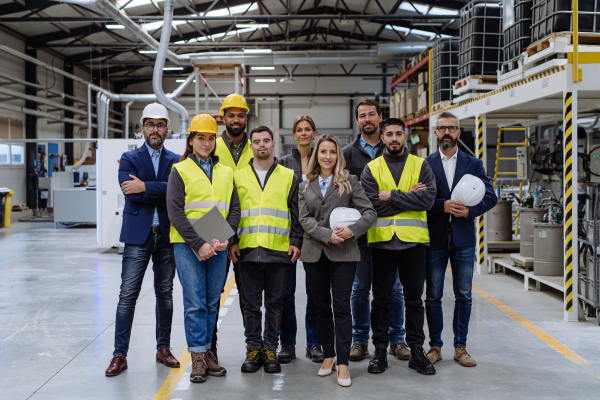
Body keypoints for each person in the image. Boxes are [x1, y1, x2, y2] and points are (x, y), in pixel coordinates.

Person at [106, 103, 181, 377]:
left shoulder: (176, 160)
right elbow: (131, 192)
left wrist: (145, 186)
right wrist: (157, 190)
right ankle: (119, 355)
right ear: (142, 128)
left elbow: (178, 192)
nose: (155, 129)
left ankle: (163, 349)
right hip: (138, 236)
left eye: (160, 124)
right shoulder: (129, 158)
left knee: (165, 295)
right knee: (127, 296)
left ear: (167, 129)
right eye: (150, 124)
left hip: (167, 237)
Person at [166, 114, 241, 383]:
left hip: (218, 243)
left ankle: (208, 351)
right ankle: (197, 354)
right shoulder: (180, 170)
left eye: (211, 138)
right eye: (201, 138)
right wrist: (199, 244)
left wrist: (225, 238)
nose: (207, 143)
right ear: (191, 140)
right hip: (188, 246)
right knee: (195, 302)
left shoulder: (226, 172)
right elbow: (175, 212)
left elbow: (234, 209)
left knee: (211, 302)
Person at [299, 134, 376, 387]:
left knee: (342, 307)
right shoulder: (305, 184)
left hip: (344, 253)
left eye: (332, 152)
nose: (327, 156)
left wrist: (352, 231)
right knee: (320, 306)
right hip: (314, 253)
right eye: (323, 152)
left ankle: (343, 363)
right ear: (316, 155)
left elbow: (369, 213)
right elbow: (304, 219)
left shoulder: (350, 181)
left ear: (338, 155)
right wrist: (326, 235)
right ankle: (328, 356)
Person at [361, 117, 437, 375]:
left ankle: (417, 350)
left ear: (405, 137)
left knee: (415, 301)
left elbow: (427, 200)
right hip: (382, 244)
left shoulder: (421, 165)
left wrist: (391, 195)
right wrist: (409, 197)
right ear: (382, 138)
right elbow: (372, 206)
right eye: (389, 134)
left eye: (398, 134)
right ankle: (380, 351)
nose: (394, 138)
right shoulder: (371, 168)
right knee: (380, 300)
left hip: (413, 244)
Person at [425, 111, 497, 367]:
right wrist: (441, 206)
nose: (446, 132)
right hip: (434, 238)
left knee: (464, 295)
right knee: (432, 295)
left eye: (451, 128)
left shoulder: (473, 164)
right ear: (436, 133)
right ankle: (435, 347)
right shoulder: (425, 164)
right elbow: (419, 201)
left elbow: (491, 197)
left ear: (458, 132)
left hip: (463, 238)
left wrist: (470, 211)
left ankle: (460, 347)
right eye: (442, 128)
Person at [228, 126, 302, 374]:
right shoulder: (237, 176)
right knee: (250, 305)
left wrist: (296, 241)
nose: (262, 145)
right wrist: (232, 241)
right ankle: (253, 349)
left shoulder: (289, 176)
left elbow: (297, 213)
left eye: (266, 141)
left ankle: (270, 349)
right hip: (246, 251)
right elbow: (231, 212)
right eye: (257, 141)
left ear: (273, 145)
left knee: (274, 303)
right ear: (251, 146)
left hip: (278, 251)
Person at [342, 99, 410, 362]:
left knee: (393, 288)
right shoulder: (347, 154)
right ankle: (359, 340)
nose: (367, 119)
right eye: (362, 115)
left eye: (372, 114)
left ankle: (397, 339)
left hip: (388, 231)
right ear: (357, 120)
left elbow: (408, 189)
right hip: (359, 234)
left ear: (380, 118)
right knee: (360, 287)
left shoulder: (396, 149)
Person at [277, 116, 324, 363]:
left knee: (315, 292)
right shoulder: (283, 163)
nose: (304, 133)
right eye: (299, 130)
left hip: (316, 234)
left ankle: (314, 343)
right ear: (294, 134)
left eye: (308, 129)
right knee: (286, 293)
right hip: (291, 235)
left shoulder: (324, 160)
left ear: (314, 132)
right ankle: (287, 343)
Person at [211, 93, 252, 359]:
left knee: (248, 296)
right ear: (223, 117)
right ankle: (208, 347)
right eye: (231, 115)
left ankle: (253, 347)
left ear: (246, 117)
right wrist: (227, 236)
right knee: (213, 293)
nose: (236, 120)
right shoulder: (211, 144)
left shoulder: (257, 144)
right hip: (215, 226)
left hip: (250, 226)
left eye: (241, 115)